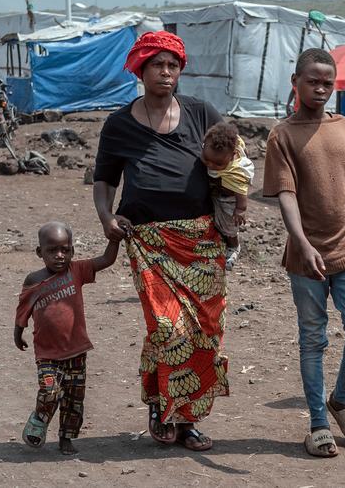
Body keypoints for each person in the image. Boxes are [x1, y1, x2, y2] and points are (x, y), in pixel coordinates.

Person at [92, 31, 228, 453]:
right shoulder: (118, 124)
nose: (166, 72)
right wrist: (105, 216)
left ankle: (182, 418)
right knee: (168, 328)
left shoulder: (202, 113)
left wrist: (235, 198)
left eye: (173, 65)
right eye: (157, 65)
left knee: (204, 333)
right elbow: (104, 181)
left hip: (202, 242)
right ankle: (164, 406)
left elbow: (231, 156)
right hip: (148, 242)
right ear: (141, 69)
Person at [263, 48, 345, 458]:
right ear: (295, 82)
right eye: (312, 81)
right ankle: (317, 422)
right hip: (305, 257)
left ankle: (342, 398)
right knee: (313, 340)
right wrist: (301, 242)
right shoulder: (282, 135)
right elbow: (286, 195)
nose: (321, 89)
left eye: (328, 83)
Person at [15, 222, 119, 455]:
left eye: (65, 249)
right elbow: (23, 308)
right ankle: (40, 417)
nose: (60, 256)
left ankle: (66, 439)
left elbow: (106, 260)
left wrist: (115, 239)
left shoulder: (77, 271)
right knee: (50, 391)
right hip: (48, 353)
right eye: (52, 250)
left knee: (73, 400)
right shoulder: (34, 280)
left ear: (72, 250)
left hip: (76, 351)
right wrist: (18, 331)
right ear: (40, 252)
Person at [200, 122, 254, 270]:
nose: (210, 165)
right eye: (206, 160)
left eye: (217, 164)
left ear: (232, 155)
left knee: (229, 227)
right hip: (215, 191)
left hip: (228, 199)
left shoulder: (237, 170)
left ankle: (233, 246)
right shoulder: (213, 148)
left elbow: (241, 193)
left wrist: (240, 210)